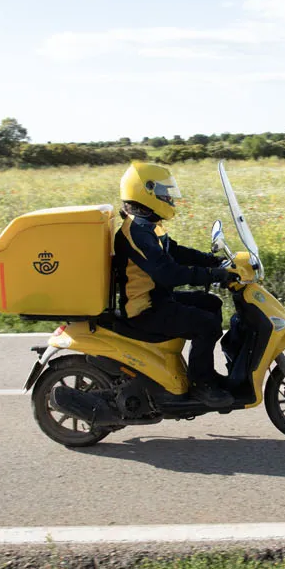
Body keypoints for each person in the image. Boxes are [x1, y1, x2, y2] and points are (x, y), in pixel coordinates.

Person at [115, 161, 236, 407]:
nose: (169, 198)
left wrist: (214, 261)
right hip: (144, 309)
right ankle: (201, 385)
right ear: (146, 191)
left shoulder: (147, 226)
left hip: (158, 298)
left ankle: (203, 372)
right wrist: (212, 275)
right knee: (206, 324)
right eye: (164, 193)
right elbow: (168, 273)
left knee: (211, 303)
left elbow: (176, 252)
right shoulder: (136, 232)